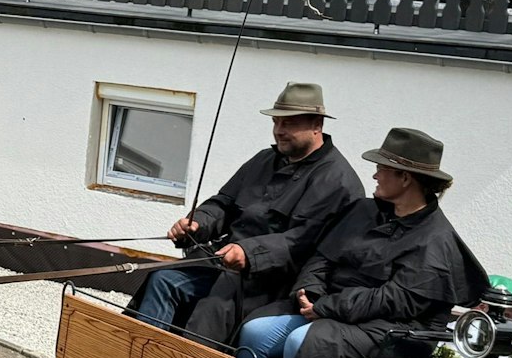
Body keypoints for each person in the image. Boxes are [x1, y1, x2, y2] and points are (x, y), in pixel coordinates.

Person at [231, 128, 488, 358]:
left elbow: (395, 300)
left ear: (406, 178)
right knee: (256, 332)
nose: (375, 175)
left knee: (304, 339)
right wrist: (311, 291)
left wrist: (327, 307)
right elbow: (322, 258)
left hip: (396, 330)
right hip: (335, 311)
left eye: (382, 168)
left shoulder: (435, 239)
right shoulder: (364, 211)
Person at [132, 82, 362, 344]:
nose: (279, 131)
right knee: (163, 280)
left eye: (288, 123)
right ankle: (137, 353)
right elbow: (224, 203)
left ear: (316, 125)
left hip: (276, 285)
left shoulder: (337, 181)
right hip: (225, 265)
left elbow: (303, 243)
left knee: (212, 310)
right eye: (276, 122)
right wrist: (197, 223)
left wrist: (249, 253)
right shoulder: (263, 160)